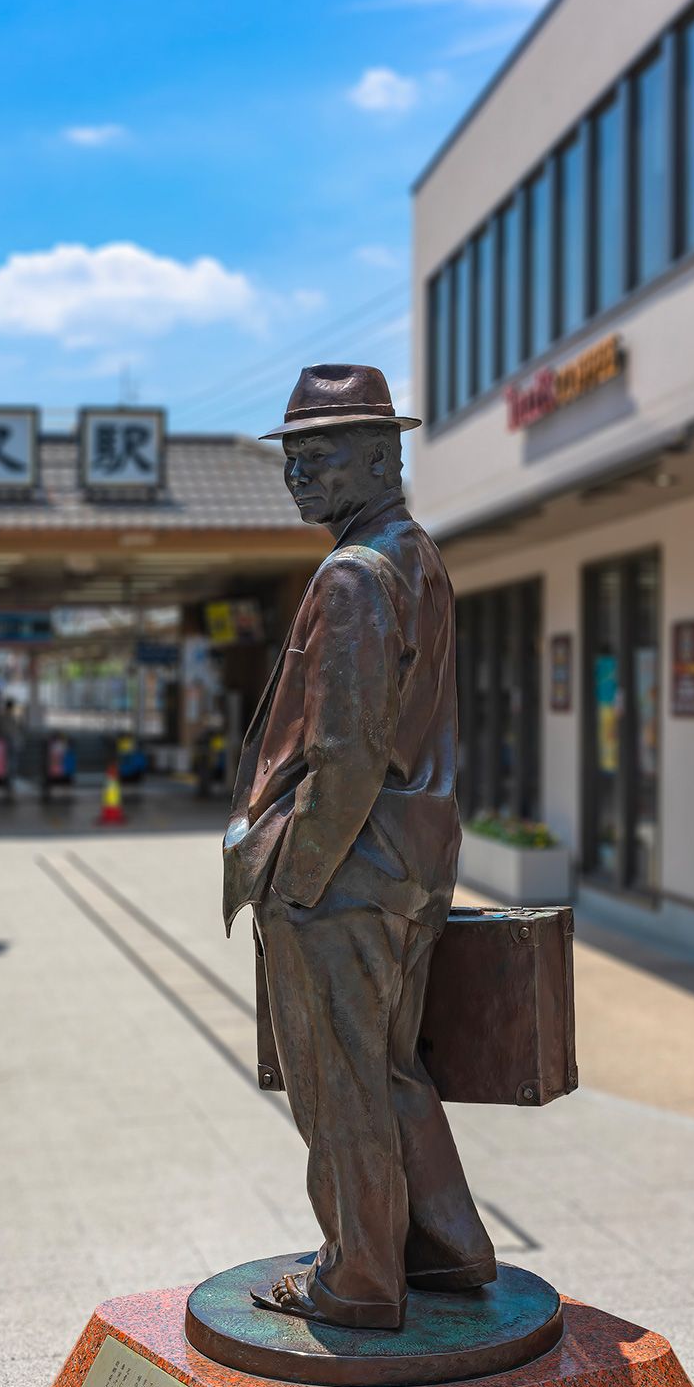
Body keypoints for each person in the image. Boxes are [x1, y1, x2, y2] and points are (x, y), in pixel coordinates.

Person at [223, 364, 498, 1331]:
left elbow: (344, 752)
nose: (298, 473)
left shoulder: (351, 573)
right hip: (409, 865)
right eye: (292, 456)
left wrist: (294, 880)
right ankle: (447, 1248)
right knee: (390, 1068)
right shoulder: (414, 554)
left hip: (344, 874)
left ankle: (359, 1279)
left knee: (338, 1084)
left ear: (383, 457)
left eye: (322, 454)